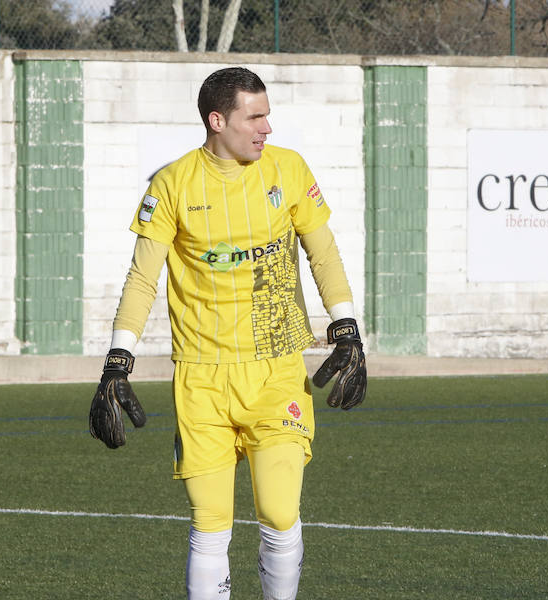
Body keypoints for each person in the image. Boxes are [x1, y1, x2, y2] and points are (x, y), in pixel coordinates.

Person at [88, 66, 367, 600]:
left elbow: (322, 250)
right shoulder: (171, 184)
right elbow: (143, 276)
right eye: (254, 116)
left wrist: (346, 325)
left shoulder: (287, 169)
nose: (267, 128)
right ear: (218, 120)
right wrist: (117, 359)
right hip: (201, 379)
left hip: (277, 369)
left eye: (268, 114)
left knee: (280, 512)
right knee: (211, 522)